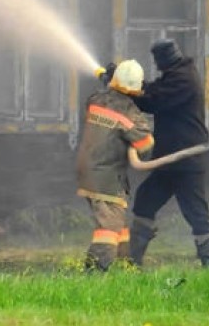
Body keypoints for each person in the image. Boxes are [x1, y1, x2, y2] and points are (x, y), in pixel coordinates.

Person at [128, 39, 209, 267]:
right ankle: (132, 261)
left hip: (185, 159)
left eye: (157, 60)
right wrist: (128, 84)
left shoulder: (183, 79)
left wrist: (128, 91)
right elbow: (153, 89)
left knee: (196, 213)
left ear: (163, 60)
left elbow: (153, 100)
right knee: (144, 201)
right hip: (170, 160)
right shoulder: (177, 74)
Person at [76, 59, 154, 271]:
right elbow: (145, 145)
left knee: (119, 223)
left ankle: (125, 267)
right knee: (109, 227)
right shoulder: (129, 112)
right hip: (107, 176)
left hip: (89, 170)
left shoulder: (95, 100)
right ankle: (94, 272)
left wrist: (108, 85)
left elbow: (102, 105)